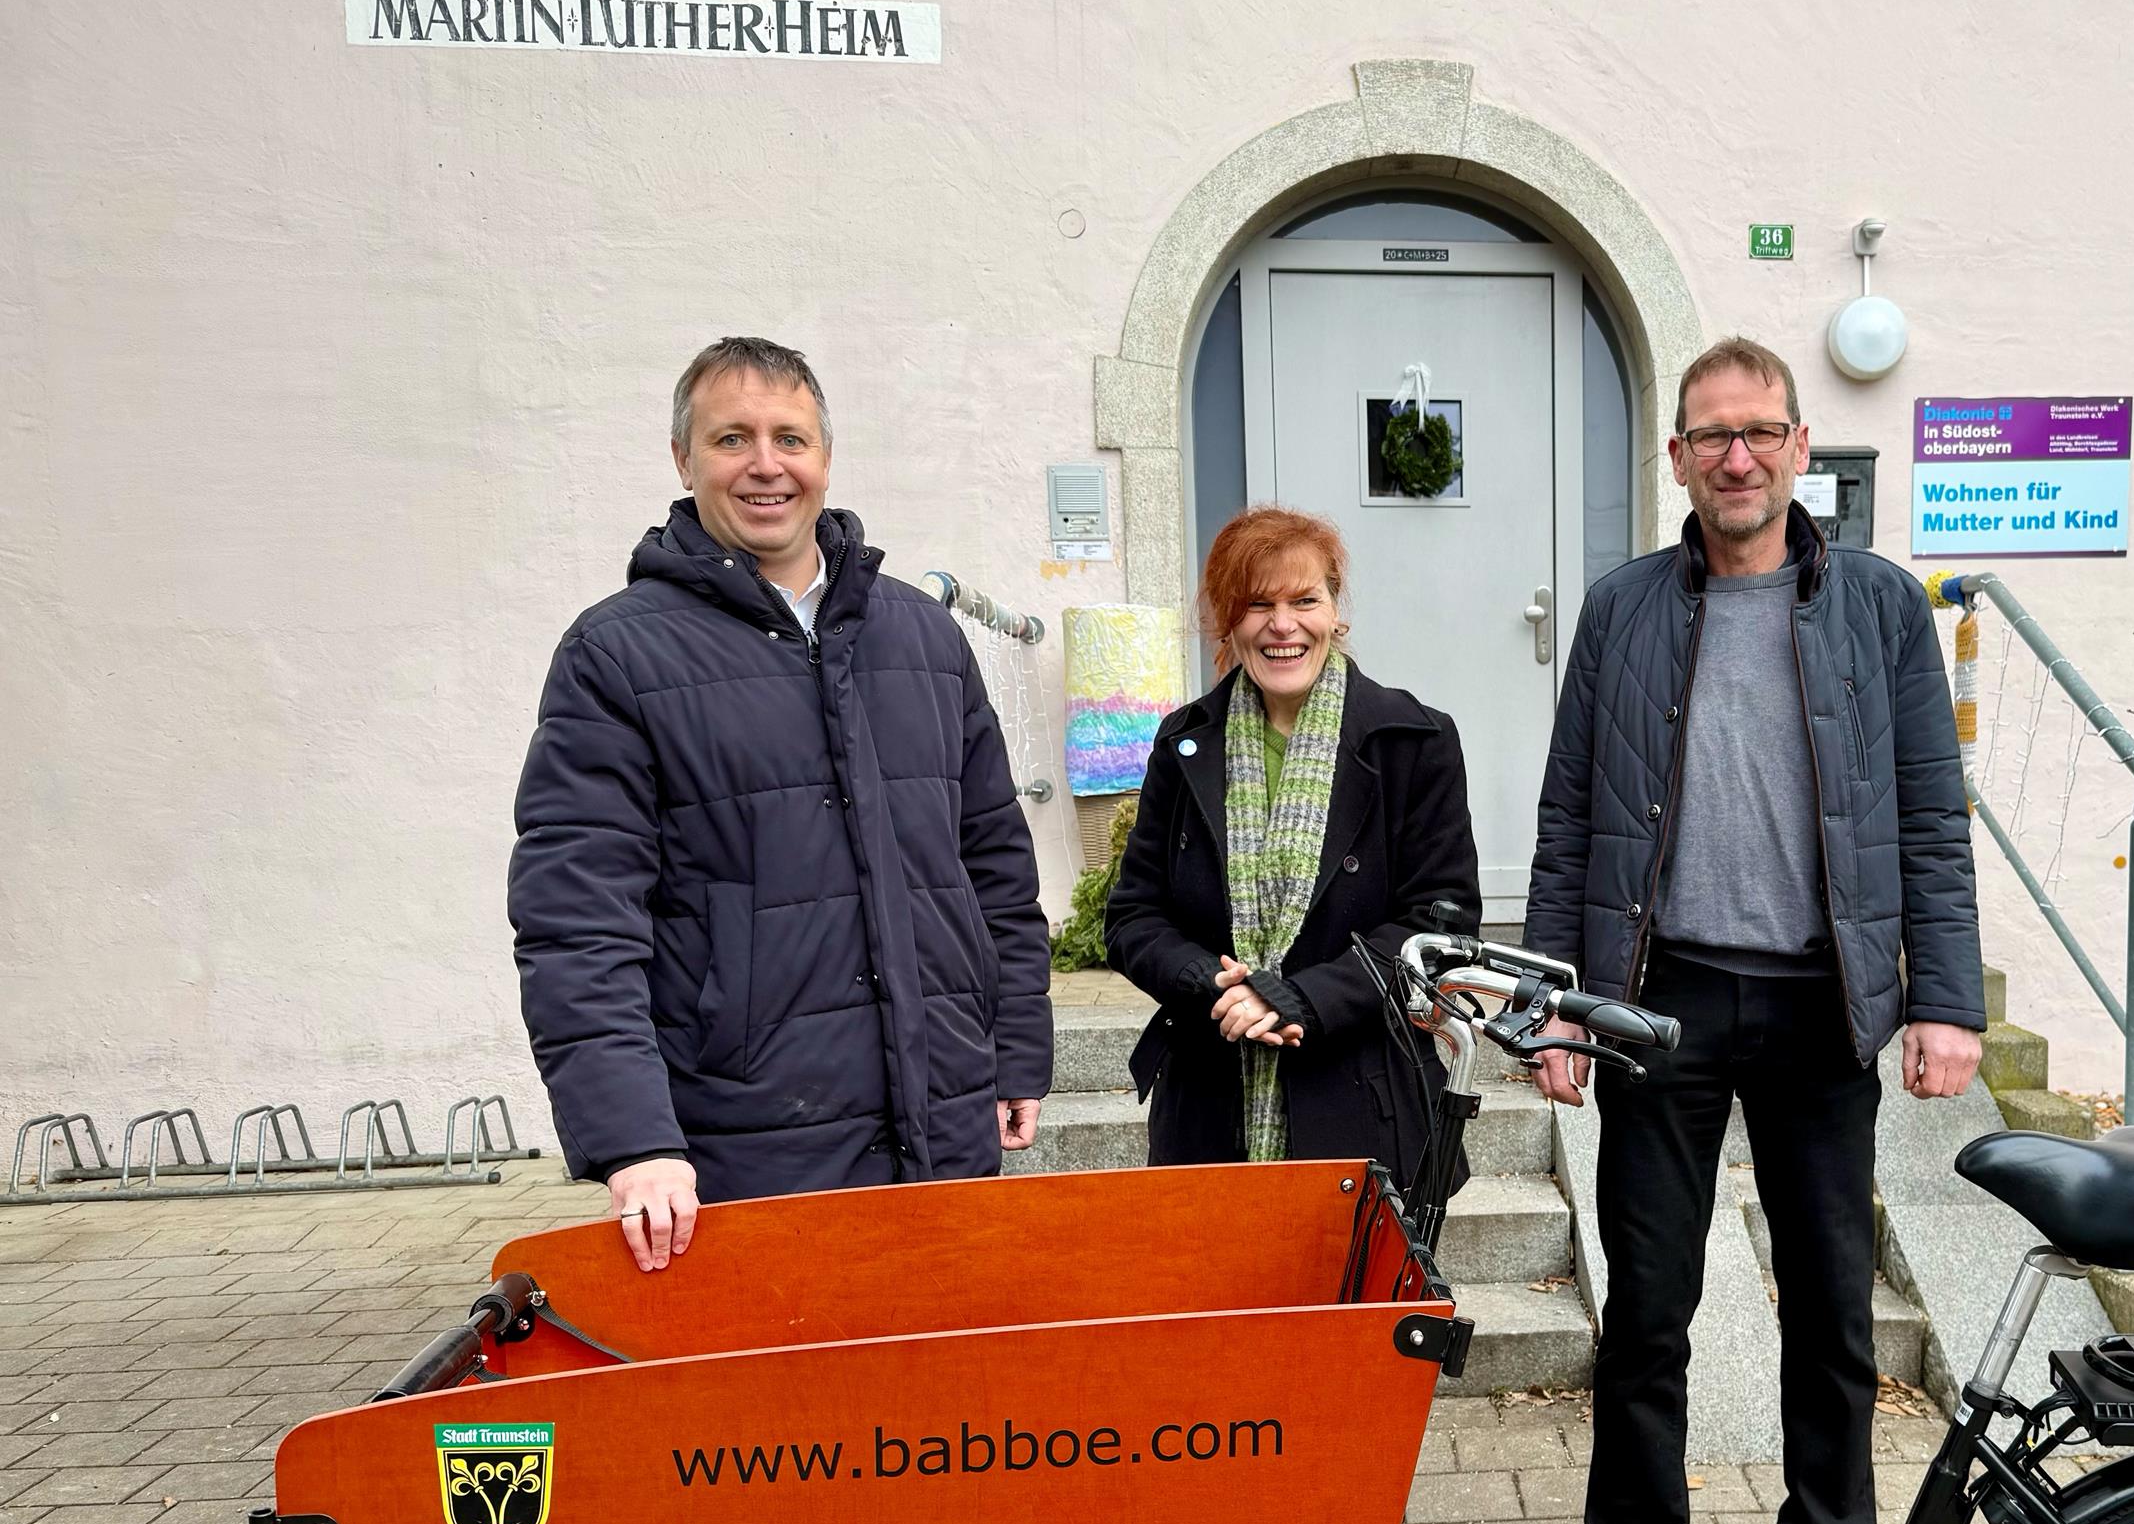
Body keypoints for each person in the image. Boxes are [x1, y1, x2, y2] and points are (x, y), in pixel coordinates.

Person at [1525, 335, 1985, 1524]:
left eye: (1761, 432)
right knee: (1649, 1304)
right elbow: (1569, 814)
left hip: (1821, 1000)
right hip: (1658, 998)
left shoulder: (1880, 608)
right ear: (1678, 456)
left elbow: (1929, 814)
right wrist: (1557, 1003)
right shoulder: (1622, 608)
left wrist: (1944, 997)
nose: (1738, 457)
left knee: (1832, 1303)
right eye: (1712, 435)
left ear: (1798, 448)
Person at [510, 335, 1050, 1271]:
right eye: (732, 439)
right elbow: (578, 921)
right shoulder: (616, 656)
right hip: (745, 1140)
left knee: (936, 1362)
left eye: (790, 439)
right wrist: (634, 1139)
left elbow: (993, 864)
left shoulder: (923, 639)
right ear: (683, 460)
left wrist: (1014, 1048)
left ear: (825, 458)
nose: (767, 465)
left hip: (943, 1120)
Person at [1104, 506, 1480, 1186]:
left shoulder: (1413, 742)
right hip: (1208, 1114)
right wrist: (1216, 985)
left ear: (1335, 611)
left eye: (1304, 600)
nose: (1283, 625)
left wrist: (1301, 998)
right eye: (1258, 604)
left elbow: (1439, 928)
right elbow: (1133, 917)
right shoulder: (1184, 743)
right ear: (1229, 621)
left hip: (1366, 1107)